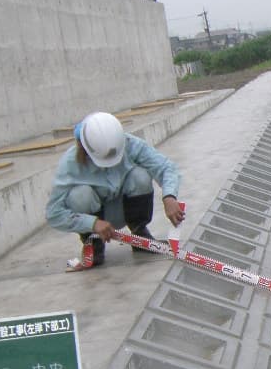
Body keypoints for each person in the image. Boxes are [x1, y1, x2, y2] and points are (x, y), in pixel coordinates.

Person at [45, 111, 185, 268]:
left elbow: (166, 167)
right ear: (86, 149)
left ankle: (140, 234)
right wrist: (91, 223)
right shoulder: (70, 164)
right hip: (96, 219)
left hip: (125, 209)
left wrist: (169, 196)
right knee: (80, 195)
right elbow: (54, 213)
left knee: (140, 176)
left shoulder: (128, 143)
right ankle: (94, 243)